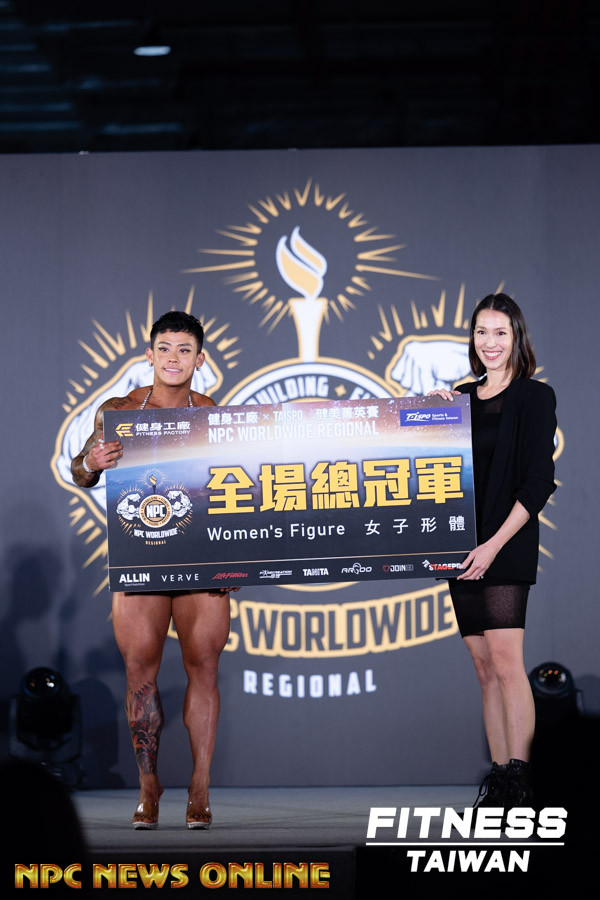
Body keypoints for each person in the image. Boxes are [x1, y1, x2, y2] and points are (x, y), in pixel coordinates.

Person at [71, 311, 235, 830]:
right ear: (149, 354)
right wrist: (93, 462)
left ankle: (200, 786)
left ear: (199, 359)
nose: (173, 358)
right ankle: (149, 786)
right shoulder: (118, 411)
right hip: (140, 555)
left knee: (203, 666)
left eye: (184, 350)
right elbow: (79, 471)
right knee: (140, 670)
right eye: (164, 348)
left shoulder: (210, 413)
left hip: (200, 557)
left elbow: (238, 484)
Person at [428, 293, 556, 810]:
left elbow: (538, 482)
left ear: (516, 337)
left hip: (506, 543)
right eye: (482, 332)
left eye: (500, 332)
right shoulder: (460, 397)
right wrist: (427, 415)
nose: (490, 342)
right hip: (462, 547)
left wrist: (493, 545)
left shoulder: (534, 396)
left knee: (506, 663)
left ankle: (522, 783)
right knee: (482, 667)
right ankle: (500, 779)